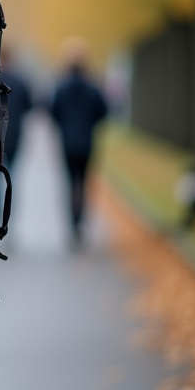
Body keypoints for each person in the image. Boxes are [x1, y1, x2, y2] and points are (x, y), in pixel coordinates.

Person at [49, 39, 108, 248]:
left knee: (69, 183)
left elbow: (53, 112)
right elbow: (103, 111)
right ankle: (80, 220)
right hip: (86, 142)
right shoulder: (93, 88)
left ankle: (72, 223)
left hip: (67, 142)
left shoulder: (61, 87)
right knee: (82, 183)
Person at [0, 47, 34, 230]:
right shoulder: (21, 81)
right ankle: (9, 218)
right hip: (15, 135)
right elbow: (29, 107)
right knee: (13, 179)